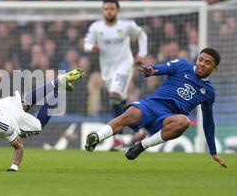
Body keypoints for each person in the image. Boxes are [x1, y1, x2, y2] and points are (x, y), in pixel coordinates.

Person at [85, 48, 228, 168]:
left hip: (166, 120)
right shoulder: (183, 65)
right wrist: (151, 71)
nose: (202, 64)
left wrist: (213, 151)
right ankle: (97, 137)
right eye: (200, 59)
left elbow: (208, 122)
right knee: (130, 113)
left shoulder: (208, 92)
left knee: (184, 122)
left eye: (207, 63)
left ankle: (141, 146)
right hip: (151, 106)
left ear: (214, 69)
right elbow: (162, 68)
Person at [0, 69, 84, 172]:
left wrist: (14, 167)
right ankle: (57, 81)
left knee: (38, 126)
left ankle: (58, 89)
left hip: (10, 115)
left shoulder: (3, 126)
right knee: (25, 103)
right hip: (1, 106)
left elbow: (19, 147)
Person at [84, 0, 148, 150]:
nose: (109, 11)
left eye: (112, 8)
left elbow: (142, 35)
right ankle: (139, 130)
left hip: (124, 66)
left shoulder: (126, 25)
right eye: (106, 8)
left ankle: (118, 137)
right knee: (120, 102)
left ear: (117, 10)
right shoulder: (96, 27)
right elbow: (87, 42)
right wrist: (90, 48)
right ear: (103, 10)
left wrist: (141, 54)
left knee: (114, 96)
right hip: (107, 70)